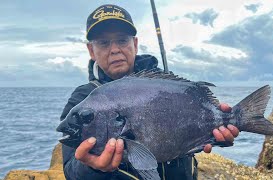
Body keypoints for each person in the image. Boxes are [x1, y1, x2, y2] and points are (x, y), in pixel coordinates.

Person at [60, 4, 239, 180]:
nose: (114, 49)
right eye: (104, 43)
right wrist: (91, 167)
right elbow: (70, 170)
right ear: (91, 50)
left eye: (122, 40)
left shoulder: (165, 83)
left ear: (135, 44)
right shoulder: (82, 98)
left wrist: (217, 134)